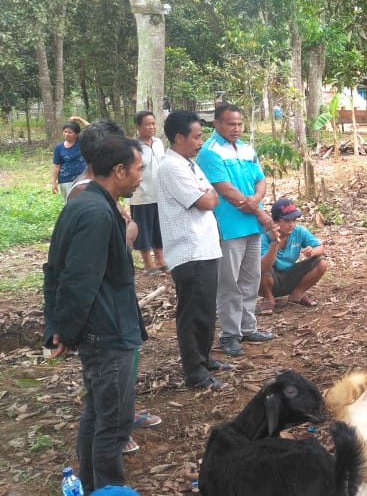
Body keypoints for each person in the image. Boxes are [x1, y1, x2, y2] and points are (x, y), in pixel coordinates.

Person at [43, 136, 146, 494]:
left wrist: (60, 328)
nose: (140, 178)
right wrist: (64, 333)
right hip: (106, 333)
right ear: (118, 171)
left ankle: (90, 486)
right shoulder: (97, 213)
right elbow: (75, 280)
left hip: (104, 327)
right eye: (138, 170)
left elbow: (57, 269)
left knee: (97, 414)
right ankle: (107, 488)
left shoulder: (88, 203)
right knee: (114, 425)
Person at [157, 110, 230, 390]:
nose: (201, 141)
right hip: (189, 250)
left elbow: (210, 193)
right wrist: (208, 194)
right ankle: (194, 371)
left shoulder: (188, 163)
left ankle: (204, 357)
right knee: (192, 312)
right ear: (178, 137)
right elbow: (208, 201)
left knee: (206, 307)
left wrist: (208, 193)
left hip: (204, 247)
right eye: (196, 136)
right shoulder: (171, 167)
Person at [196, 103, 275, 357]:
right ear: (217, 124)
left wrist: (256, 199)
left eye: (239, 123)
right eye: (230, 124)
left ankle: (248, 327)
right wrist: (259, 210)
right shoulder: (209, 153)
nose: (236, 128)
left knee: (251, 278)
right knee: (229, 282)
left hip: (252, 224)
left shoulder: (246, 148)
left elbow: (260, 179)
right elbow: (226, 190)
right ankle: (229, 334)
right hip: (229, 227)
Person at [258, 198, 329, 312]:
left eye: (294, 220)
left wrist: (312, 252)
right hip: (269, 278)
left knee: (322, 262)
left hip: (289, 274)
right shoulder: (263, 236)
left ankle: (297, 294)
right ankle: (268, 297)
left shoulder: (299, 231)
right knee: (260, 269)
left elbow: (321, 248)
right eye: (287, 221)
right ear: (275, 221)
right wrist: (274, 243)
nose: (291, 225)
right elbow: (263, 267)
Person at [129, 111, 167, 275]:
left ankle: (161, 259)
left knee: (159, 228)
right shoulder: (133, 146)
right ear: (138, 126)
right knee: (143, 229)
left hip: (160, 194)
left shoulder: (158, 142)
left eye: (153, 123)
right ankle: (148, 263)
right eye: (147, 124)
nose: (151, 127)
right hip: (141, 195)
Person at [52, 122, 87, 201]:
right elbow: (56, 166)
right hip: (66, 180)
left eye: (70, 132)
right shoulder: (59, 148)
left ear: (76, 134)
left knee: (84, 202)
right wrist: (54, 182)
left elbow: (91, 128)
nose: (66, 134)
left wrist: (79, 119)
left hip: (82, 179)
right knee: (70, 204)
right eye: (65, 131)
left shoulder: (81, 143)